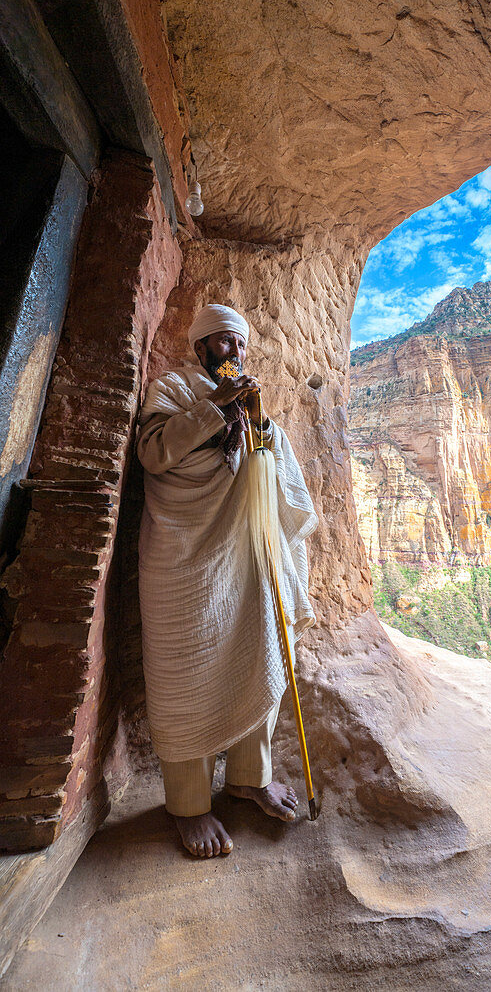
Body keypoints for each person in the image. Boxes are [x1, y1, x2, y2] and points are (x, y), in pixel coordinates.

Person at [137, 303, 318, 858]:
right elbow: (153, 453)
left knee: (255, 653)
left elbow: (274, 477)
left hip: (243, 556)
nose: (234, 354)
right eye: (222, 344)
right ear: (199, 349)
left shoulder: (251, 402)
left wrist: (262, 433)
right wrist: (215, 411)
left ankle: (249, 777)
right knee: (184, 674)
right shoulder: (172, 391)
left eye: (239, 345)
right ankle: (190, 807)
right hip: (182, 558)